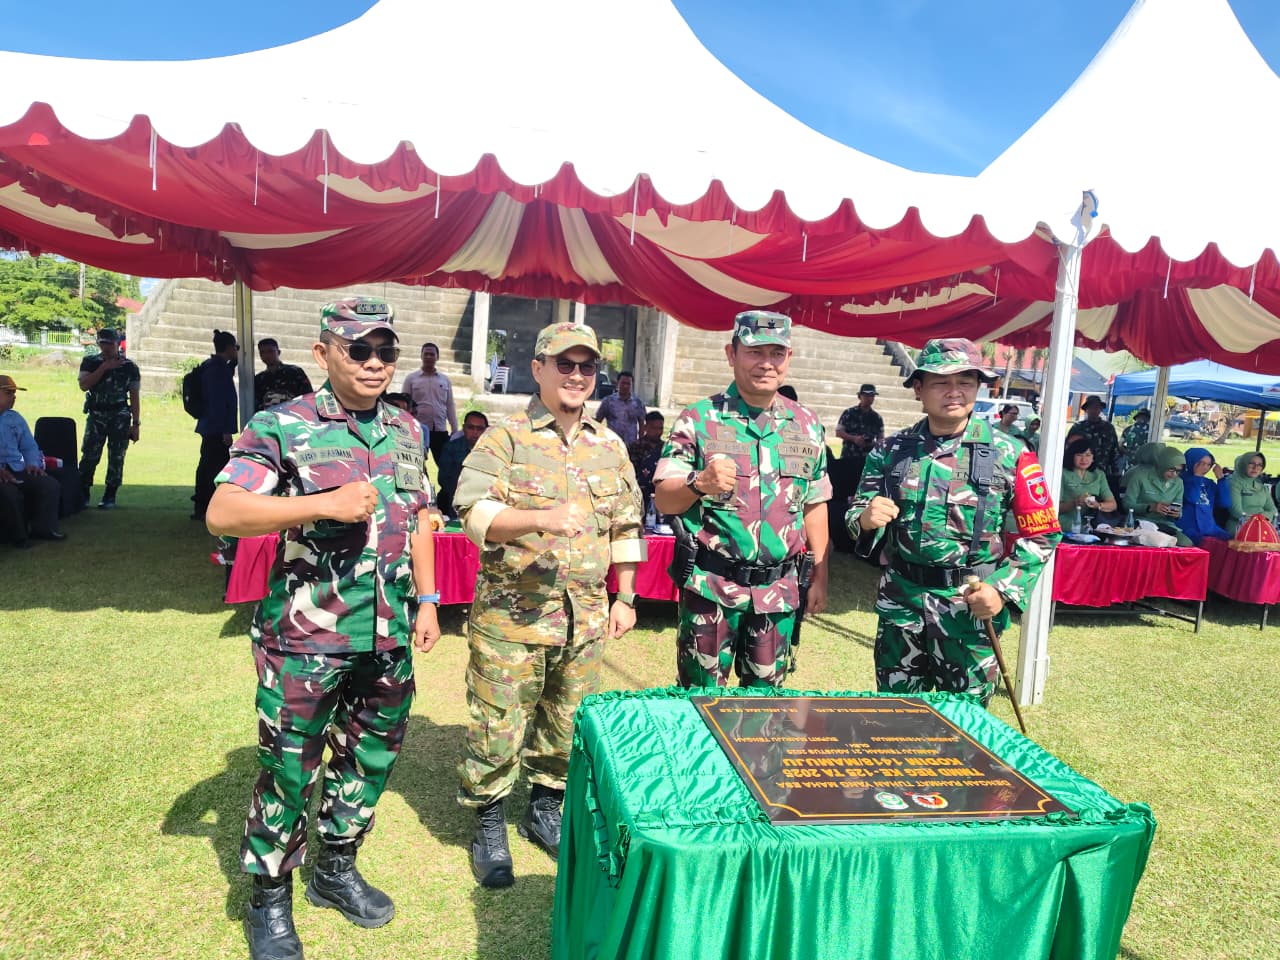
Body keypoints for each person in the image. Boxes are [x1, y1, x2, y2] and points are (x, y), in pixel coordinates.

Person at [205, 297, 440, 960]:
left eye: (385, 351)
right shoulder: (283, 425)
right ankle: (270, 897)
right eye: (358, 349)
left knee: (370, 757)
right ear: (323, 354)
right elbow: (224, 511)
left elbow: (420, 516)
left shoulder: (405, 427)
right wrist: (321, 503)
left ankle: (335, 869)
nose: (374, 362)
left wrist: (428, 600)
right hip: (306, 639)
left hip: (388, 634)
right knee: (289, 769)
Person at [452, 321, 643, 889]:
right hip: (512, 616)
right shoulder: (505, 439)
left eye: (587, 366)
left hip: (584, 616)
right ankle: (489, 820)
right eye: (565, 364)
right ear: (537, 369)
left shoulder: (609, 446)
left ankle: (545, 807)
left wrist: (626, 596)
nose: (577, 375)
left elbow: (627, 525)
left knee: (567, 718)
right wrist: (540, 518)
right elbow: (471, 513)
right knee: (498, 721)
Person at [846, 338, 1061, 707]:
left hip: (968, 612)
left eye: (965, 381)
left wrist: (1002, 590)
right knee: (895, 720)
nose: (954, 392)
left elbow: (1043, 533)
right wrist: (865, 519)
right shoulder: (891, 451)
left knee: (966, 726)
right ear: (918, 388)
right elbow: (855, 516)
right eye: (941, 382)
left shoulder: (1009, 453)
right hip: (902, 607)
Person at [653, 310, 831, 689]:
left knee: (764, 710)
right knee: (700, 702)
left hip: (778, 594)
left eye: (776, 353)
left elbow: (815, 504)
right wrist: (699, 482)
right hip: (712, 590)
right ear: (731, 354)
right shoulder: (698, 419)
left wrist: (820, 574)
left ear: (788, 358)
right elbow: (665, 500)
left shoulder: (807, 424)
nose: (766, 363)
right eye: (754, 352)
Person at [78, 327, 140, 509]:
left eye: (109, 344)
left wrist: (136, 424)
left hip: (119, 416)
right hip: (96, 415)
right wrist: (103, 367)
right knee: (89, 455)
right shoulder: (90, 362)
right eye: (102, 343)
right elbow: (84, 385)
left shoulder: (129, 367)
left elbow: (134, 396)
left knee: (117, 456)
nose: (106, 347)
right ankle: (83, 492)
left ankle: (110, 495)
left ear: (117, 344)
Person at [0, 374, 65, 547]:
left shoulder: (15, 418)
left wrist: (32, 464)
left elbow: (29, 446)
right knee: (10, 494)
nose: (13, 397)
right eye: (8, 393)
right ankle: (18, 538)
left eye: (14, 393)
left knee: (49, 485)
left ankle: (43, 529)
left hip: (15, 467)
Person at [192, 330, 240, 521]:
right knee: (213, 468)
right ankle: (206, 506)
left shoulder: (213, 366)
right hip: (216, 428)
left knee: (209, 465)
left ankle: (204, 505)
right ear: (229, 347)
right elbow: (219, 402)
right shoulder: (217, 370)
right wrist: (226, 430)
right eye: (235, 347)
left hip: (210, 425)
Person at [401, 342, 457, 465]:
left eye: (432, 354)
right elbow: (404, 405)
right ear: (421, 356)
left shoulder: (444, 380)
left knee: (446, 465)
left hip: (440, 430)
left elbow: (450, 405)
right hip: (418, 429)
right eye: (426, 354)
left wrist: (454, 428)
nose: (429, 357)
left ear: (437, 357)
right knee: (416, 464)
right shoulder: (411, 379)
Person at [1122, 444, 1190, 544]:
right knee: (1156, 541)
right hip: (1141, 522)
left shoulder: (1178, 483)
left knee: (1186, 544)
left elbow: (1178, 506)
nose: (1174, 474)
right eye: (1171, 469)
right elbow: (1127, 504)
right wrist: (1149, 507)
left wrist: (1176, 513)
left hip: (1165, 524)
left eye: (1178, 471)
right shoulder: (1140, 476)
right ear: (1163, 465)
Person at [435, 410, 488, 519]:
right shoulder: (451, 448)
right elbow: (444, 480)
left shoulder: (492, 451)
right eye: (471, 427)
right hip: (455, 498)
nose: (475, 432)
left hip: (484, 499)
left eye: (480, 429)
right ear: (464, 428)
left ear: (486, 430)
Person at [1059, 436, 1117, 526]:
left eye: (1088, 455)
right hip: (1065, 525)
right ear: (1071, 456)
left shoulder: (1099, 475)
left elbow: (1113, 505)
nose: (1084, 459)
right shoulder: (1062, 474)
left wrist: (1098, 505)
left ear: (1093, 458)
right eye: (1079, 455)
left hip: (1092, 526)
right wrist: (1075, 503)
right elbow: (1053, 507)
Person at [1178, 447, 1230, 545]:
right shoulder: (1181, 480)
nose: (1205, 467)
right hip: (1188, 527)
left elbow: (1225, 503)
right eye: (1201, 463)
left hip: (1209, 527)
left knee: (1232, 543)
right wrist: (1197, 476)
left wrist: (1221, 479)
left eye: (1208, 464)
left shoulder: (1209, 483)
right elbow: (1193, 498)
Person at [1067, 395, 1120, 482]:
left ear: (1100, 410)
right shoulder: (1078, 428)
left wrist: (1115, 472)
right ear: (1086, 410)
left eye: (1097, 407)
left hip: (1103, 472)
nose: (1094, 410)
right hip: (1082, 472)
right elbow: (1069, 449)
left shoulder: (1108, 428)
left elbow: (1114, 451)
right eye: (1091, 408)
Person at [836, 384, 885, 479]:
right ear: (859, 396)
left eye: (872, 395)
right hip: (848, 457)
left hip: (867, 460)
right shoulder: (849, 413)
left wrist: (871, 443)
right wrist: (854, 439)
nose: (869, 398)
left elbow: (881, 439)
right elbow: (839, 432)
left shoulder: (877, 418)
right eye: (866, 395)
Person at [253, 337, 313, 412]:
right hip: (269, 417)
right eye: (262, 352)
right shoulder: (259, 379)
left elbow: (308, 397)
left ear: (278, 352)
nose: (267, 355)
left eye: (270, 351)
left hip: (293, 415)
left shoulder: (295, 372)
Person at [1225, 452, 1277, 535]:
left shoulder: (1262, 487)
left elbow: (1273, 510)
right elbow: (1236, 512)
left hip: (1262, 527)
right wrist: (1259, 518)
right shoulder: (1233, 483)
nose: (1255, 468)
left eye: (1260, 465)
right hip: (1240, 528)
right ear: (1243, 464)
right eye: (1251, 463)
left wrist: (1261, 517)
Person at [595, 370, 647, 446]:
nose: (625, 386)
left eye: (628, 384)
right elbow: (597, 422)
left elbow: (642, 424)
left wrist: (641, 441)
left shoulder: (638, 403)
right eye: (623, 383)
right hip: (613, 445)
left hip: (632, 445)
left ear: (632, 385)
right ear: (617, 383)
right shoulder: (608, 401)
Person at [628, 411, 666, 511]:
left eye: (660, 428)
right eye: (654, 428)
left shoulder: (665, 448)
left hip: (660, 495)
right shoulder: (636, 447)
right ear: (645, 427)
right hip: (639, 495)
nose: (658, 432)